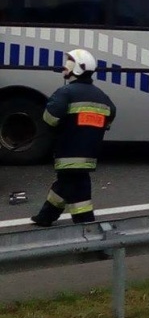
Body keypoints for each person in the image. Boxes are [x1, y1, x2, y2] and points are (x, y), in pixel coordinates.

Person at [31, 49, 117, 227]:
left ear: (77, 68)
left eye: (69, 62)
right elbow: (110, 116)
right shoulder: (102, 96)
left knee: (78, 189)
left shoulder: (65, 92)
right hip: (89, 154)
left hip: (68, 151)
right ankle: (45, 217)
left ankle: (86, 225)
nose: (65, 65)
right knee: (66, 184)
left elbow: (50, 119)